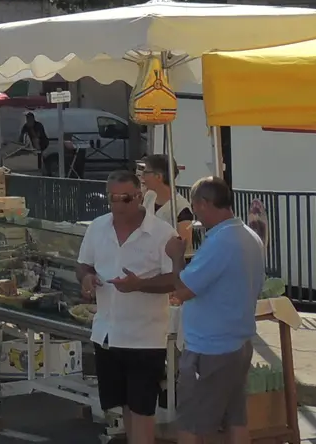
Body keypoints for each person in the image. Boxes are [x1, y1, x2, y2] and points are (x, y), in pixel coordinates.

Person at [114, 177, 268, 444]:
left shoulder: (221, 242)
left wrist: (176, 256)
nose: (196, 217)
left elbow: (182, 290)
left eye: (196, 209)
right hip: (239, 342)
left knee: (192, 425)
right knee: (236, 419)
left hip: (211, 349)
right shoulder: (249, 236)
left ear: (205, 204)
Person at [77, 170, 181, 444]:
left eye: (125, 199)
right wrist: (86, 278)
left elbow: (175, 280)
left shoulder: (162, 233)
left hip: (145, 338)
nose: (119, 205)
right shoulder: (97, 228)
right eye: (113, 199)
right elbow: (83, 264)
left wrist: (139, 284)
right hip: (108, 334)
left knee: (143, 410)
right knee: (125, 408)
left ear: (139, 196)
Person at [140, 155, 194, 246]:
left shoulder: (181, 207)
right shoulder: (149, 197)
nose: (142, 177)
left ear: (158, 177)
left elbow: (184, 244)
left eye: (146, 172)